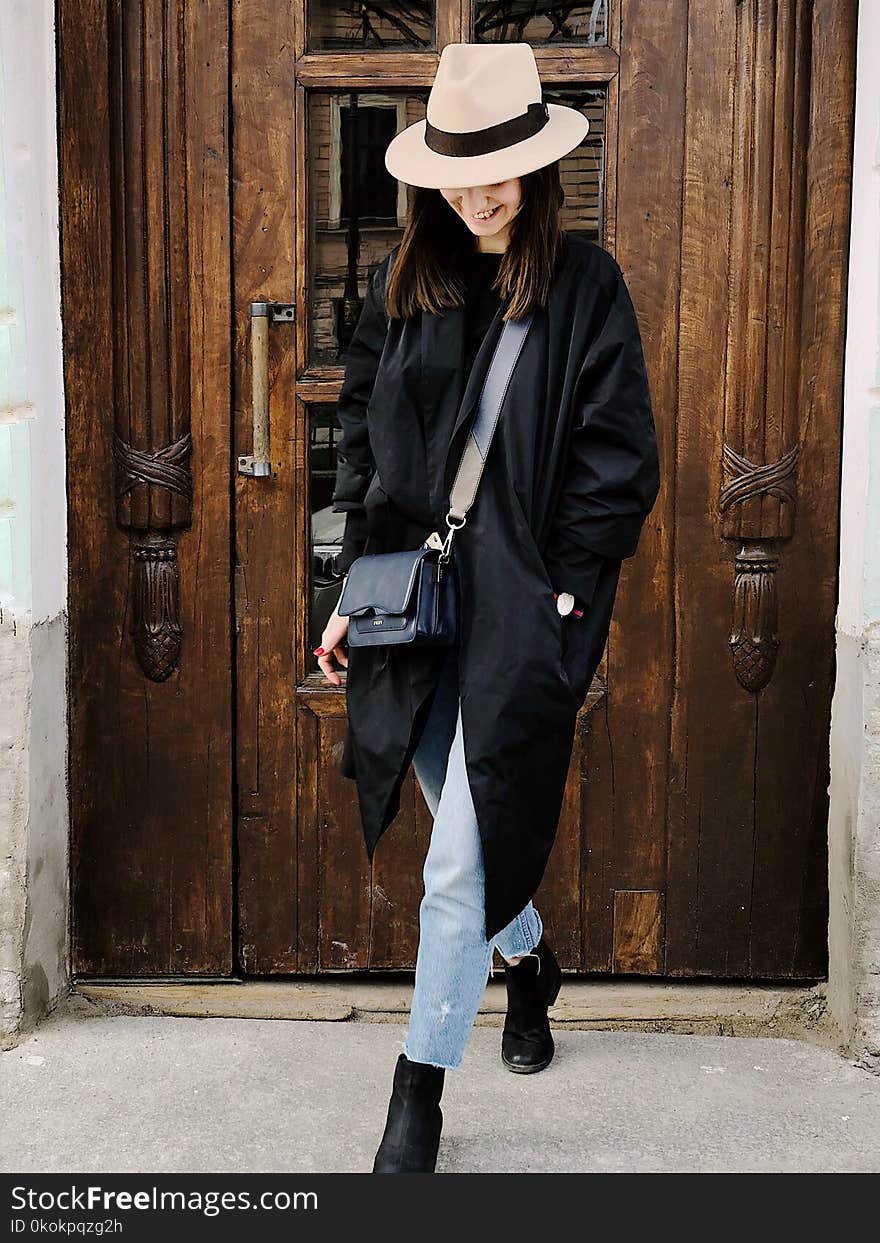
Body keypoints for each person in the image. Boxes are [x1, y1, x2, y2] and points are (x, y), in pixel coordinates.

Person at [314, 41, 661, 1173]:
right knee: (453, 813)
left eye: (499, 169)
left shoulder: (585, 284)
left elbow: (619, 456)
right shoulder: (406, 276)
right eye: (459, 173)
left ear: (538, 163)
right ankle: (536, 963)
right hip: (411, 597)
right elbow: (362, 439)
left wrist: (568, 580)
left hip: (523, 604)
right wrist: (347, 589)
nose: (479, 193)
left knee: (457, 856)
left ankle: (416, 1098)